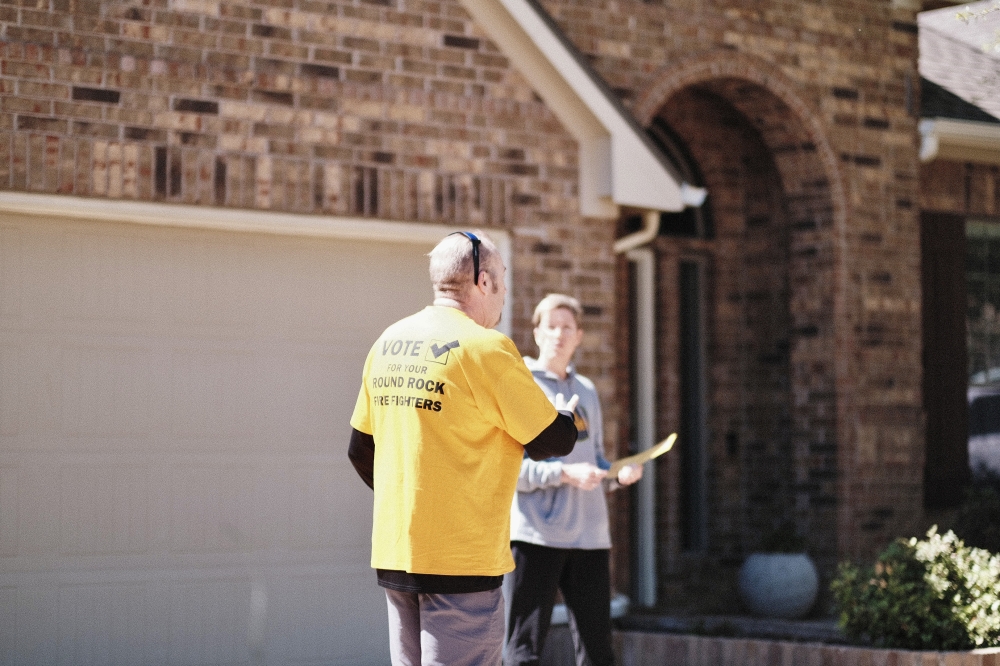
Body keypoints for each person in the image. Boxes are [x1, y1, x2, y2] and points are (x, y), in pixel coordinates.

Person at [348, 232, 580, 666]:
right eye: (504, 281)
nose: (506, 295)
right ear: (483, 281)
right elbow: (552, 440)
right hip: (462, 563)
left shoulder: (388, 342)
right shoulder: (486, 349)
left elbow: (361, 450)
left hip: (398, 554)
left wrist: (414, 503)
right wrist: (571, 416)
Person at [505, 294, 643, 666]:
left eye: (567, 327)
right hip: (538, 535)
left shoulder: (587, 391)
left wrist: (616, 474)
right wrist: (564, 474)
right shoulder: (522, 385)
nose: (559, 334)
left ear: (579, 335)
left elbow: (594, 458)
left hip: (590, 537)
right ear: (536, 333)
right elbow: (511, 470)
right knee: (523, 650)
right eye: (551, 326)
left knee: (598, 653)